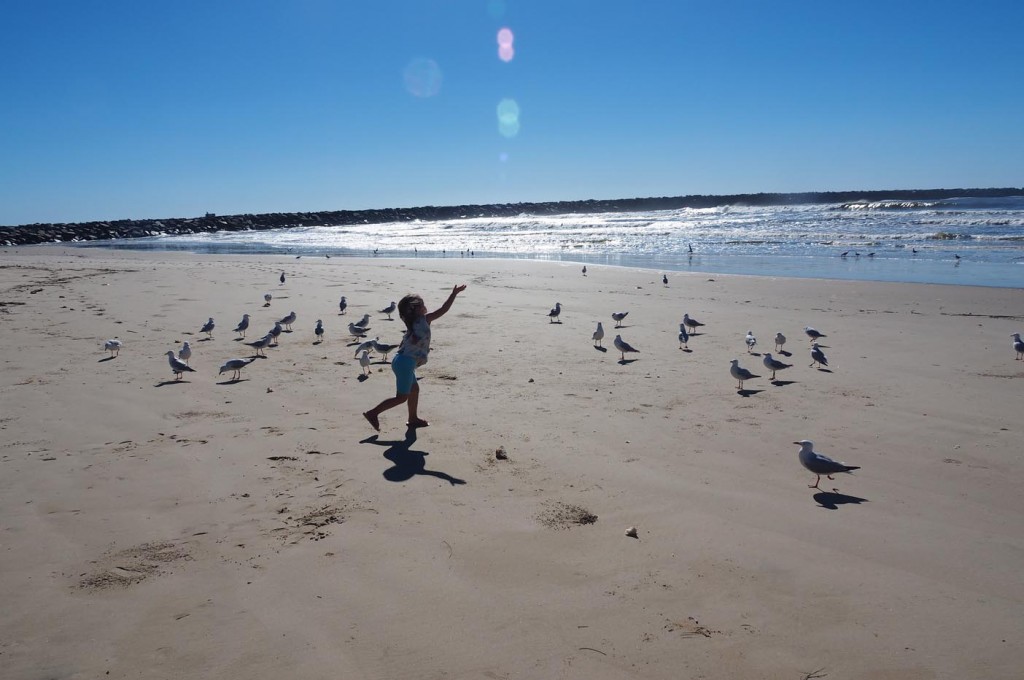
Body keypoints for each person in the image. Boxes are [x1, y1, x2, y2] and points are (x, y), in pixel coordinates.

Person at [363, 284, 466, 431]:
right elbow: (443, 309)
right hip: (405, 363)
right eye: (422, 305)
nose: (425, 306)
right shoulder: (424, 319)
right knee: (401, 397)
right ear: (415, 310)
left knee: (414, 390)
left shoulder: (411, 324)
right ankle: (373, 413)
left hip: (402, 361)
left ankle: (412, 418)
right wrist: (454, 294)